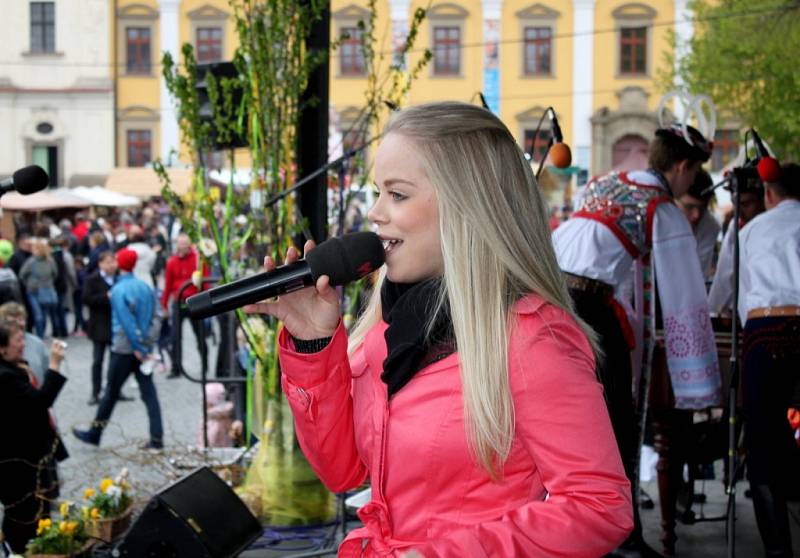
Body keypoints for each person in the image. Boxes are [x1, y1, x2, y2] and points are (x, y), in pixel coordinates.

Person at [247, 102, 633, 556]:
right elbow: (343, 471)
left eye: (397, 194)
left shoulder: (533, 336)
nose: (374, 213)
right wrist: (313, 343)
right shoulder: (384, 329)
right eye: (377, 192)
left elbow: (600, 506)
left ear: (468, 204)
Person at [552, 123, 721, 555]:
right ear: (682, 167)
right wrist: (695, 370)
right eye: (692, 174)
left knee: (563, 415)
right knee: (617, 420)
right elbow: (683, 290)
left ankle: (578, 521)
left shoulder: (607, 180)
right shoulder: (660, 205)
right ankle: (621, 535)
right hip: (586, 302)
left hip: (548, 291)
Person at [737, 163, 800, 557]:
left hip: (767, 332)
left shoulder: (750, 230)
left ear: (769, 195)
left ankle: (779, 552)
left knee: (763, 446)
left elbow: (730, 291)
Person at [73, 249, 164, 450]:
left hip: (124, 350)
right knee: (149, 394)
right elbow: (158, 315)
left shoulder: (118, 289)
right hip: (143, 350)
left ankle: (95, 433)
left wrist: (138, 347)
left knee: (111, 393)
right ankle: (157, 438)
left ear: (120, 264)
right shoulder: (145, 287)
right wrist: (148, 342)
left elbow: (126, 322)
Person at [0, 323, 67, 554]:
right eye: (17, 340)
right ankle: (19, 551)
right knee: (24, 515)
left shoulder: (12, 369)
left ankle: (38, 549)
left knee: (37, 510)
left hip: (28, 459)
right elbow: (40, 402)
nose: (23, 344)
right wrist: (55, 365)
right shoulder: (5, 377)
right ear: (3, 349)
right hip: (17, 464)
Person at [708, 180, 767, 315]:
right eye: (735, 204)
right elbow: (725, 273)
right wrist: (715, 311)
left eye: (746, 204)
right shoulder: (736, 226)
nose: (739, 211)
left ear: (765, 199)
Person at [83, 251, 132, 405]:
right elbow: (87, 299)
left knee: (115, 361)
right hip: (99, 326)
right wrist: (106, 297)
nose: (112, 265)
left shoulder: (119, 279)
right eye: (108, 262)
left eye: (113, 262)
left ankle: (114, 390)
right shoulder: (92, 279)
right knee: (98, 360)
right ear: (100, 264)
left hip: (115, 326)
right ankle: (95, 392)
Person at [162, 233, 208, 378]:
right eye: (180, 245)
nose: (182, 248)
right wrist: (163, 304)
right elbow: (168, 284)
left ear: (189, 246)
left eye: (185, 245)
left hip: (195, 301)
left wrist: (206, 301)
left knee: (200, 335)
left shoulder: (198, 260)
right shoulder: (171, 262)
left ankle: (205, 366)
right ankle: (176, 367)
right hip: (178, 301)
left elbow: (205, 281)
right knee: (175, 336)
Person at [675, 169, 721, 280]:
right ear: (672, 199)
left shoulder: (710, 226)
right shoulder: (657, 220)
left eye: (703, 208)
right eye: (689, 207)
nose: (696, 215)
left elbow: (696, 277)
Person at [19, 239, 60, 338]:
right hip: (44, 289)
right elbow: (55, 274)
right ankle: (41, 334)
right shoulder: (50, 261)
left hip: (34, 290)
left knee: (39, 314)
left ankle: (40, 335)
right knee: (42, 314)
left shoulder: (31, 261)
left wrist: (29, 283)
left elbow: (22, 275)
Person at [0, 302, 49, 385]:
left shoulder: (37, 343)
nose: (18, 324)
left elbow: (45, 370)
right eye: (12, 321)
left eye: (21, 319)